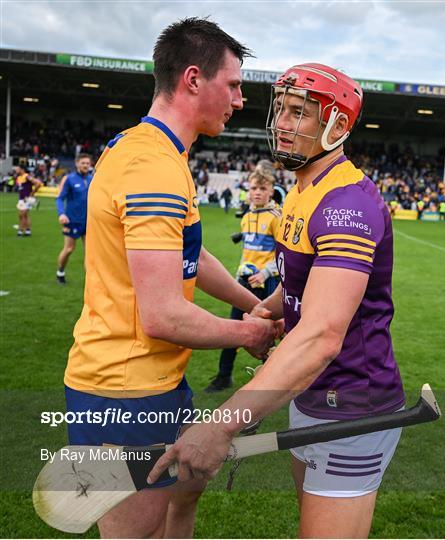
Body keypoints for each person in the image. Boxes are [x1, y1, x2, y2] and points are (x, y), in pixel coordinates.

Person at [150, 63, 406, 539]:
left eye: (299, 113)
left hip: (351, 405)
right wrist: (268, 308)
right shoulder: (303, 189)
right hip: (308, 393)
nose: (282, 123)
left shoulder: (347, 205)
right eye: (281, 110)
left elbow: (322, 335)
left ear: (337, 125)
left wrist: (221, 425)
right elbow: (301, 284)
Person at [63, 18, 280, 539]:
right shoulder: (153, 168)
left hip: (149, 382)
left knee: (166, 523)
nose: (241, 99)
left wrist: (249, 301)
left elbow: (189, 254)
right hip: (124, 391)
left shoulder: (150, 150)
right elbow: (162, 314)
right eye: (233, 85)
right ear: (192, 79)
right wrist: (250, 333)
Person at [205, 169, 281, 392]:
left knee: (273, 332)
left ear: (271, 192)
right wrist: (240, 273)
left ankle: (274, 383)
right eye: (254, 188)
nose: (257, 193)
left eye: (262, 189)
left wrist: (266, 273)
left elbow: (285, 254)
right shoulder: (247, 217)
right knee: (234, 327)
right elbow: (247, 251)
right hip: (246, 281)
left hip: (267, 283)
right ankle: (223, 376)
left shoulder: (277, 217)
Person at [55, 153, 93, 284]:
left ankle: (90, 281)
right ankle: (60, 271)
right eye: (83, 163)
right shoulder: (69, 179)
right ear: (77, 164)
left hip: (89, 222)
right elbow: (60, 198)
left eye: (88, 163)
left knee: (90, 254)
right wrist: (61, 214)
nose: (85, 166)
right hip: (72, 221)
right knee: (69, 249)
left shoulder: (92, 179)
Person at [15, 163, 42, 236]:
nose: (16, 170)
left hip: (27, 199)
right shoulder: (18, 178)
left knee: (23, 214)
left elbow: (38, 183)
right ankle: (28, 231)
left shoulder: (27, 176)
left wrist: (32, 193)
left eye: (17, 168)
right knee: (24, 215)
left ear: (22, 169)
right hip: (21, 199)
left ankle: (20, 230)